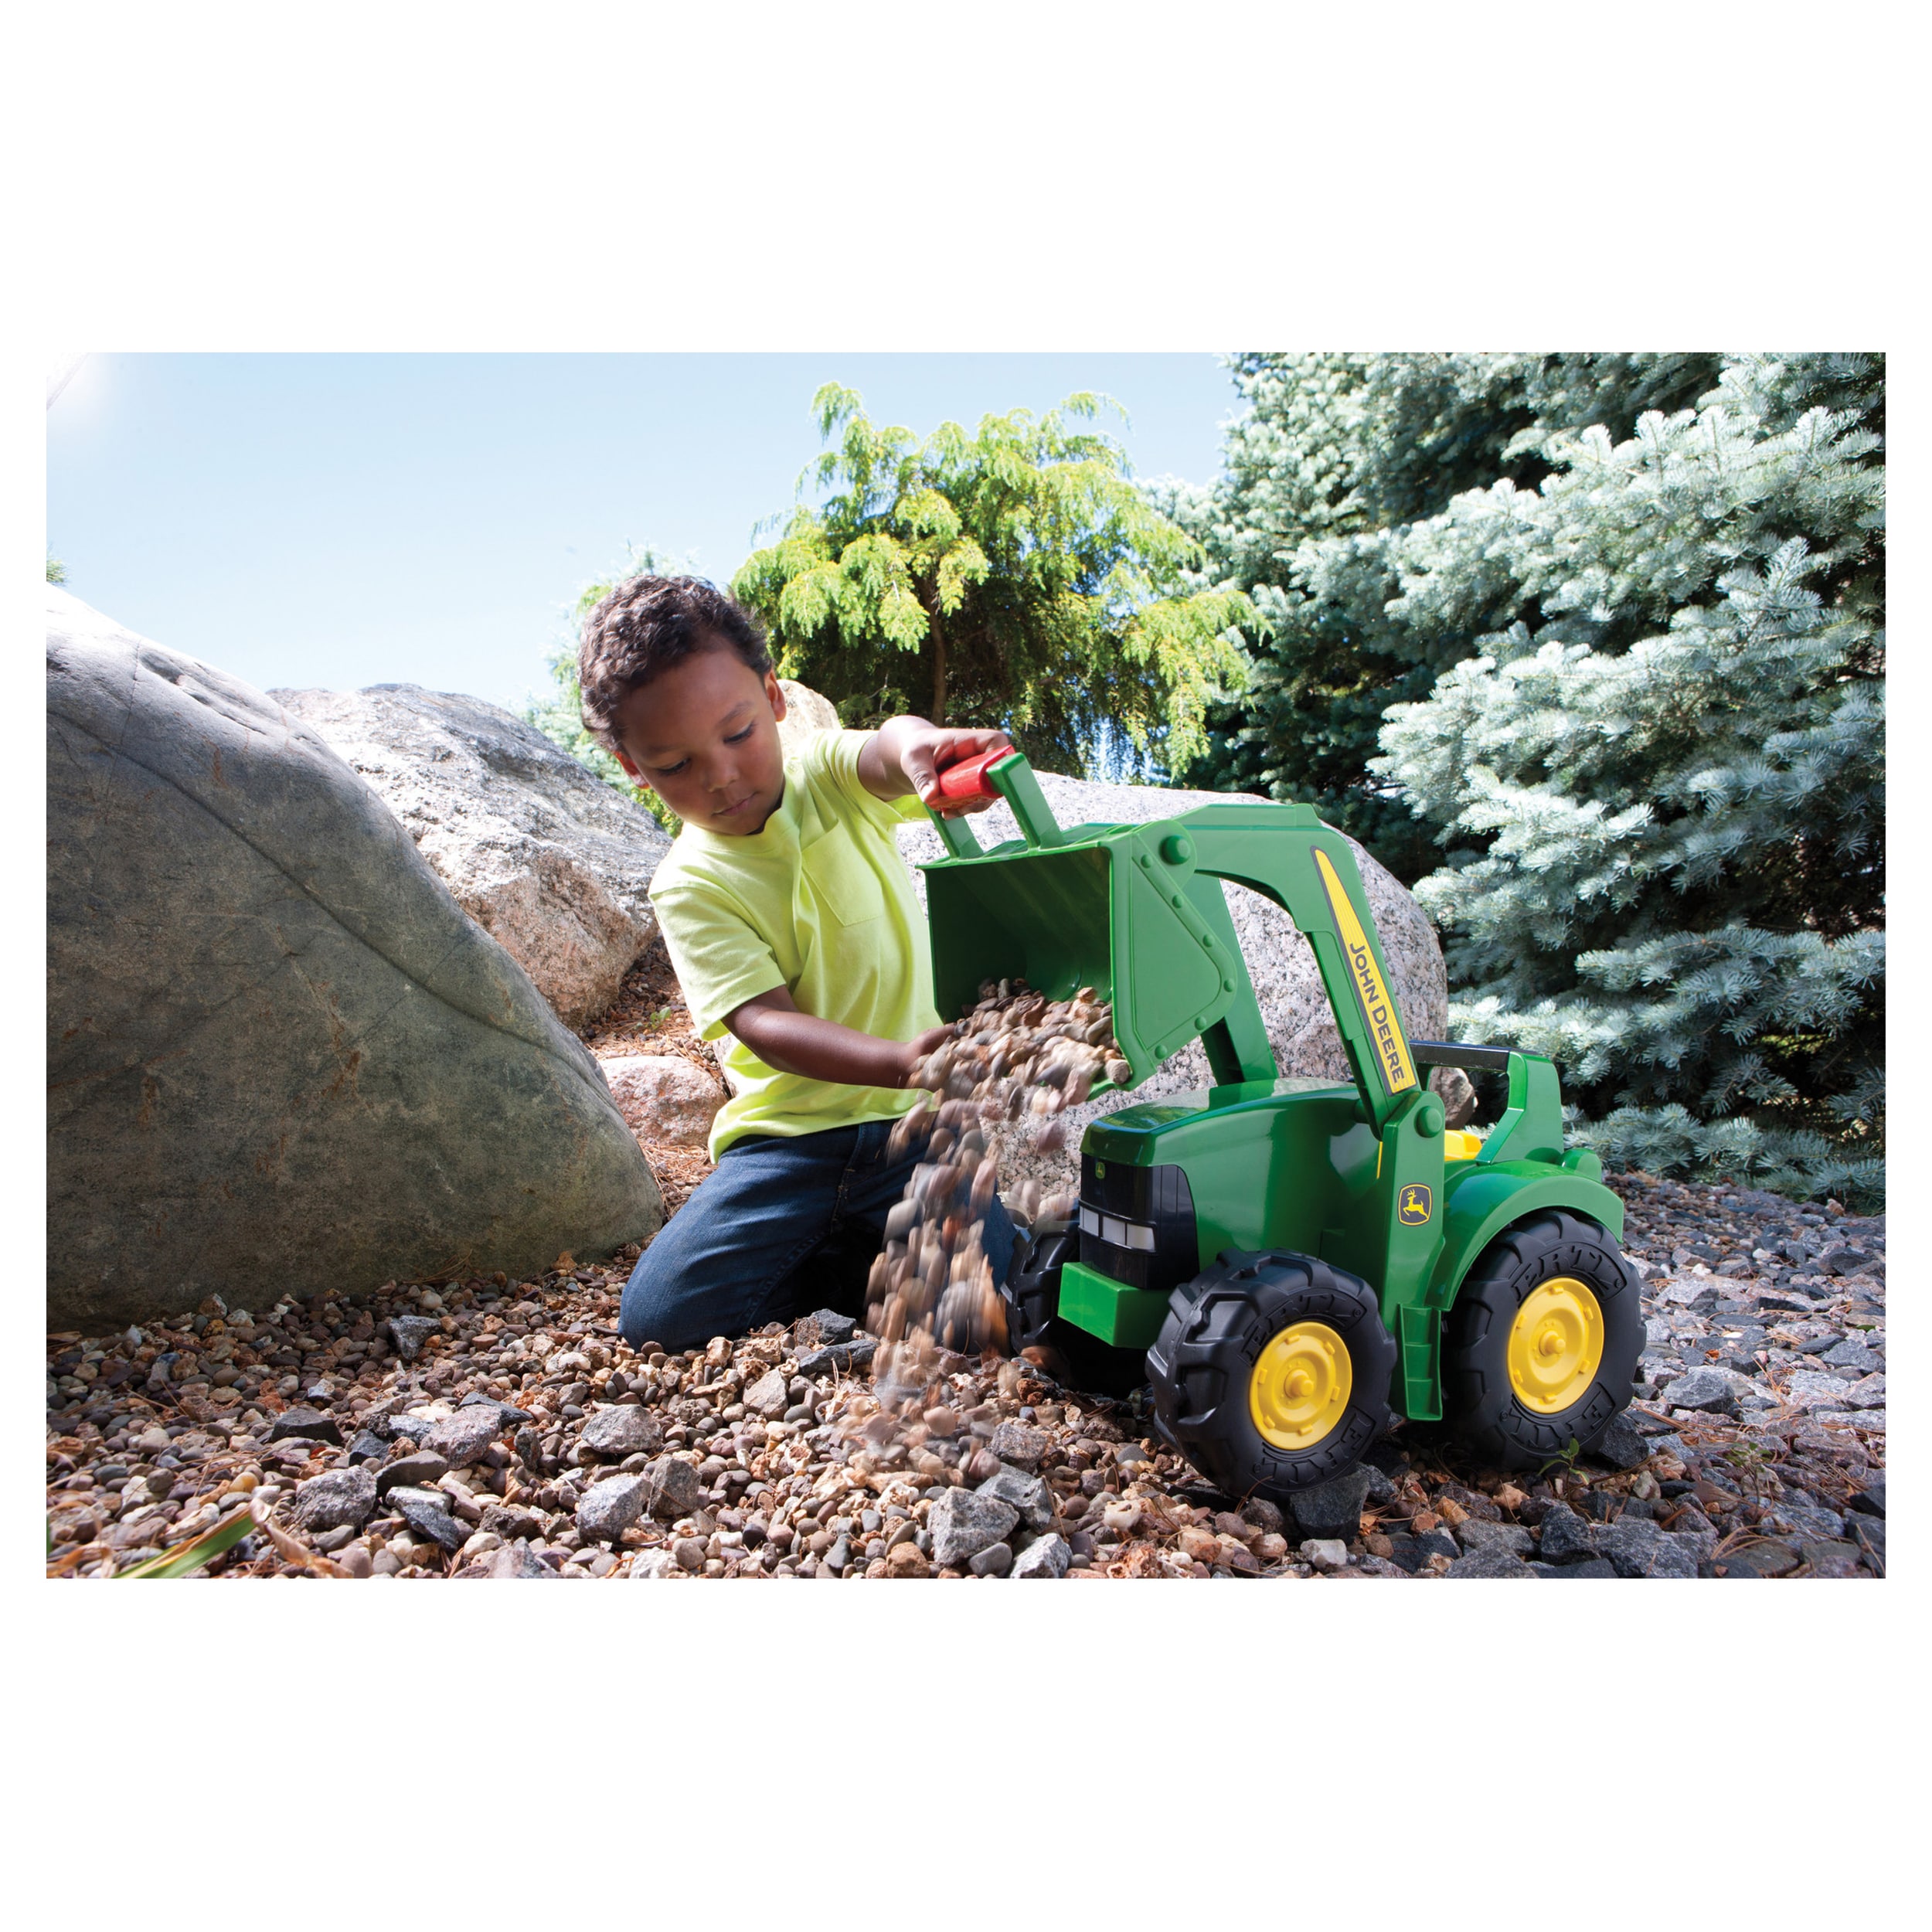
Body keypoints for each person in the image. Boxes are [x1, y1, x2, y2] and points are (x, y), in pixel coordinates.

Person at [576, 573, 1019, 1351]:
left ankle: (869, 1264)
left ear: (774, 699)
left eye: (737, 733)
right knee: (658, 1320)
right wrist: (897, 1061)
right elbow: (764, 1021)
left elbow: (883, 752)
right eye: (675, 765)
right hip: (786, 1148)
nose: (719, 774)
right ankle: (843, 1266)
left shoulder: (822, 776)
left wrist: (921, 746)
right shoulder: (690, 882)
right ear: (632, 766)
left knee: (1000, 1310)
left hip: (910, 1132)